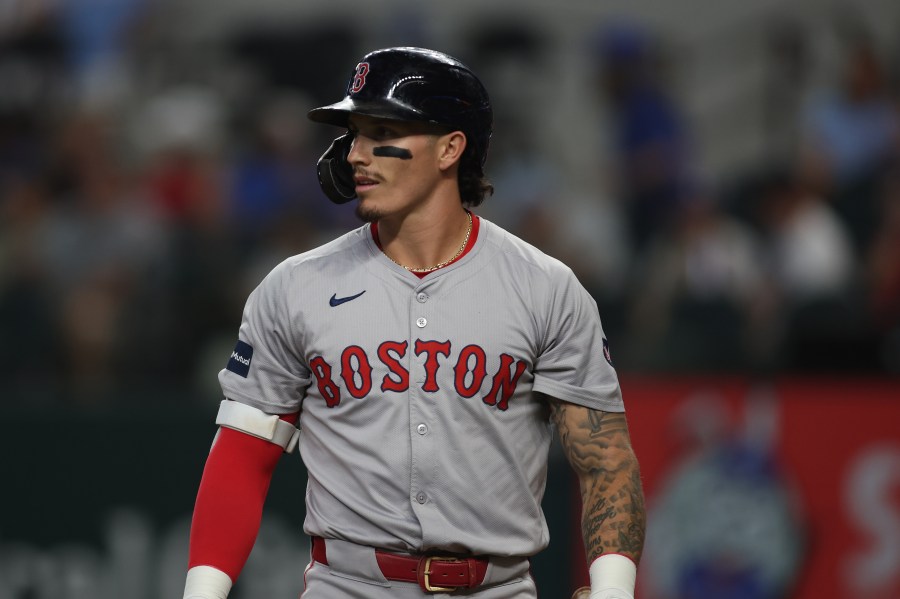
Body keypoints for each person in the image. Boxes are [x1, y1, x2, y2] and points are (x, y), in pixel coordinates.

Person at [181, 46, 645, 599]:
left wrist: (613, 591)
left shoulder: (546, 288)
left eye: (383, 131)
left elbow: (605, 460)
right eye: (354, 133)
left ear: (451, 147)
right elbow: (242, 455)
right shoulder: (294, 288)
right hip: (347, 586)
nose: (356, 154)